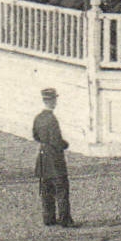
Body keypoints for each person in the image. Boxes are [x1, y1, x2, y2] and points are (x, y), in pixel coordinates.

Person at [34, 88, 76, 228]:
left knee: (46, 190)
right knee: (61, 189)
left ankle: (48, 217)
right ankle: (65, 219)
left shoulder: (38, 117)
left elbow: (35, 135)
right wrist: (65, 144)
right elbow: (57, 141)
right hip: (55, 158)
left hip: (43, 157)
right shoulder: (52, 119)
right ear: (52, 101)